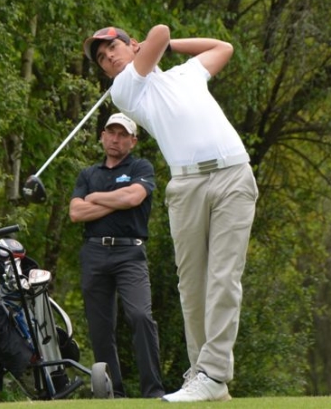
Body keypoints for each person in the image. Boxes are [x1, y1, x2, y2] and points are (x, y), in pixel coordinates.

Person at [83, 25, 258, 402]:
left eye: (113, 47)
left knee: (224, 277)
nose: (108, 58)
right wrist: (153, 45)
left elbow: (222, 46)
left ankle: (211, 373)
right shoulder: (125, 89)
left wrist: (166, 45)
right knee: (192, 287)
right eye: (102, 59)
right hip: (187, 185)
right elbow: (159, 33)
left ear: (131, 45)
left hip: (233, 174)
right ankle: (203, 375)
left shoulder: (186, 73)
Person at [69, 112, 165, 399]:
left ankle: (153, 391)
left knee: (139, 316)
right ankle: (113, 394)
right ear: (102, 136)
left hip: (129, 252)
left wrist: (95, 198)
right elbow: (76, 212)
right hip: (94, 252)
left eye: (123, 134)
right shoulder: (88, 174)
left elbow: (134, 198)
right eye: (111, 132)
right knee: (100, 327)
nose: (115, 138)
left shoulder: (141, 167)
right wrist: (118, 200)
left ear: (132, 141)